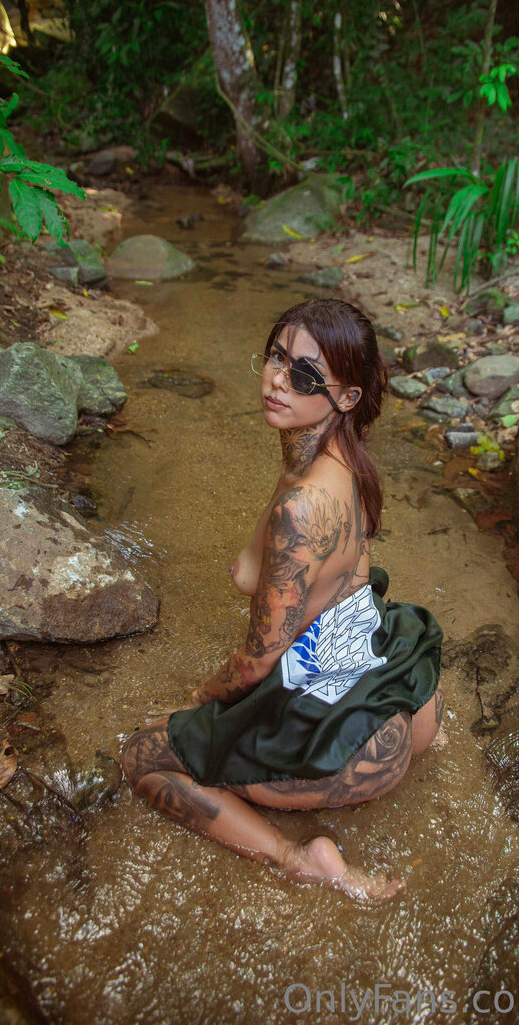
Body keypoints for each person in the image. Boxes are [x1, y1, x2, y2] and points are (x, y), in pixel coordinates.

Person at [121, 298, 445, 900]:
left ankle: (297, 856)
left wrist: (193, 708)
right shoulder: (340, 459)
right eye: (276, 357)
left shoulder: (302, 506)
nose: (277, 380)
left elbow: (257, 662)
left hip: (347, 744)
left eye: (304, 375)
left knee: (142, 758)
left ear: (346, 398)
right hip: (404, 694)